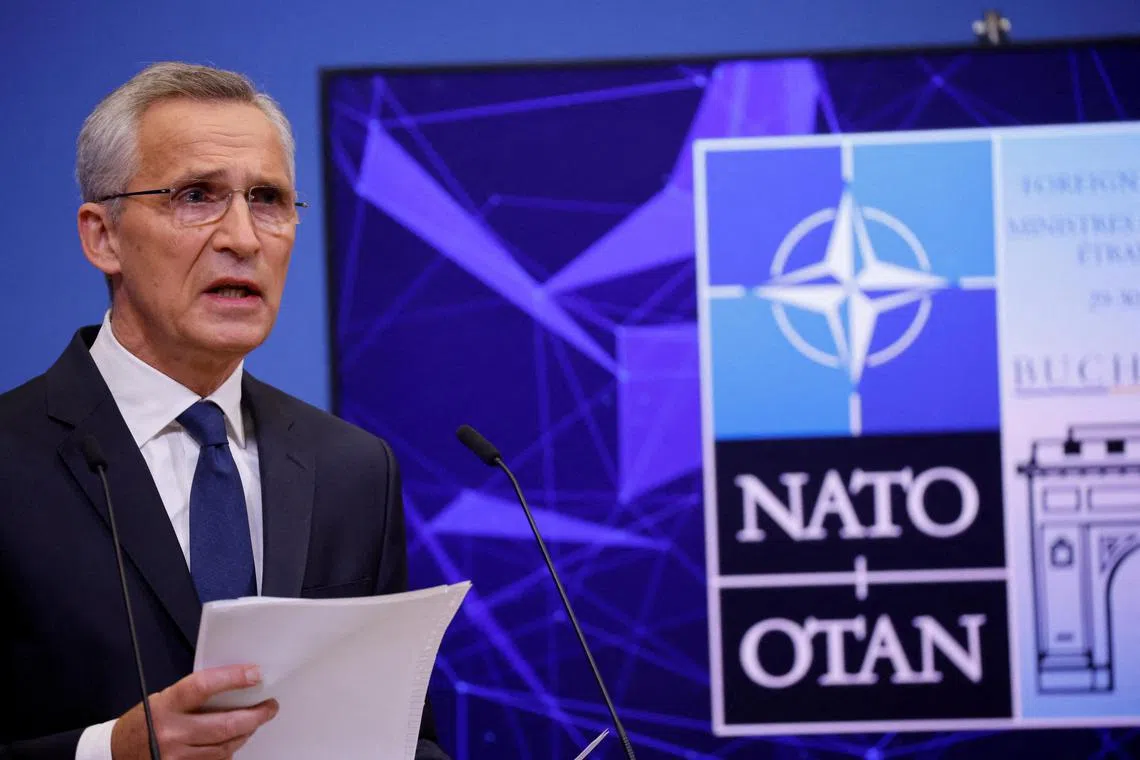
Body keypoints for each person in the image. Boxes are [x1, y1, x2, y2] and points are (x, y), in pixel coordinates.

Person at [0, 62, 450, 759]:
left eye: (267, 199)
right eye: (195, 196)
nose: (243, 237)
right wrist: (109, 752)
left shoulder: (352, 469)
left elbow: (400, 735)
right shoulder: (9, 457)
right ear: (103, 237)